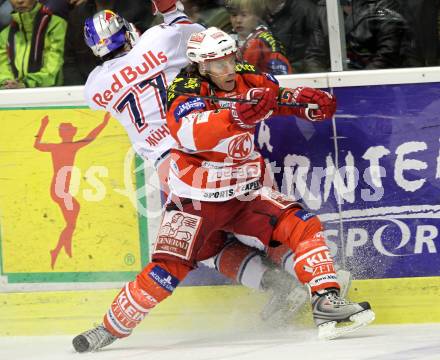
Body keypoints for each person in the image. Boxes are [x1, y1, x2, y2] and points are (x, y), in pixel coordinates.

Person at [73, 2, 326, 352]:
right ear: (128, 31)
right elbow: (185, 25)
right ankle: (307, 278)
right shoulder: (160, 40)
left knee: (194, 248)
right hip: (211, 148)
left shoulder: (94, 86)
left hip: (174, 170)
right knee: (267, 219)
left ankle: (276, 283)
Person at [34, 113, 109, 269]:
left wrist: (43, 125)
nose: (74, 132)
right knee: (71, 222)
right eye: (72, 130)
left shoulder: (59, 147)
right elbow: (91, 137)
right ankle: (56, 251)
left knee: (71, 222)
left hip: (59, 189)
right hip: (60, 190)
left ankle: (64, 249)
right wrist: (103, 123)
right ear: (69, 133)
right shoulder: (70, 146)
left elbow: (38, 144)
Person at [304, 0, 422, 72]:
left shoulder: (383, 3)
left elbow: (388, 54)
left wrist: (358, 82)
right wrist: (321, 82)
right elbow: (314, 54)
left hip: (379, 82)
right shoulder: (325, 7)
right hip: (342, 83)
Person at [62, 0, 154, 85]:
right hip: (92, 91)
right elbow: (70, 61)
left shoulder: (138, 7)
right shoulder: (77, 15)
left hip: (135, 80)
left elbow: (150, 47)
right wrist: (81, 92)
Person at [0, 0, 67, 89]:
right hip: (11, 95)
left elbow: (53, 70)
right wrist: (6, 83)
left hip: (50, 95)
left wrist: (26, 84)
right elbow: (3, 71)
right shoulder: (5, 35)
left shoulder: (56, 25)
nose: (20, 1)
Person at [225, 0, 292, 75]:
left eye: (244, 15)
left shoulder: (267, 41)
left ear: (257, 16)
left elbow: (281, 76)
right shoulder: (225, 40)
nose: (238, 20)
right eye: (234, 15)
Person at [263, 0, 318, 72]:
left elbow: (317, 54)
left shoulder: (304, 9)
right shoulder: (255, 11)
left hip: (298, 75)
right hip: (266, 75)